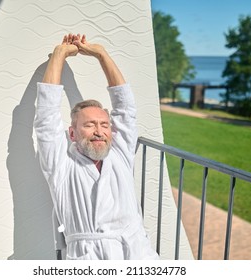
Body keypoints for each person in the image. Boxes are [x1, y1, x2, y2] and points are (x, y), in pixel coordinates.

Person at [34, 34, 159, 260]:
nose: (99, 131)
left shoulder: (119, 154)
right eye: (90, 125)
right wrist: (59, 54)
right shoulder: (61, 165)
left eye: (104, 124)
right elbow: (46, 118)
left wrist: (101, 54)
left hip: (138, 255)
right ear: (72, 133)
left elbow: (125, 109)